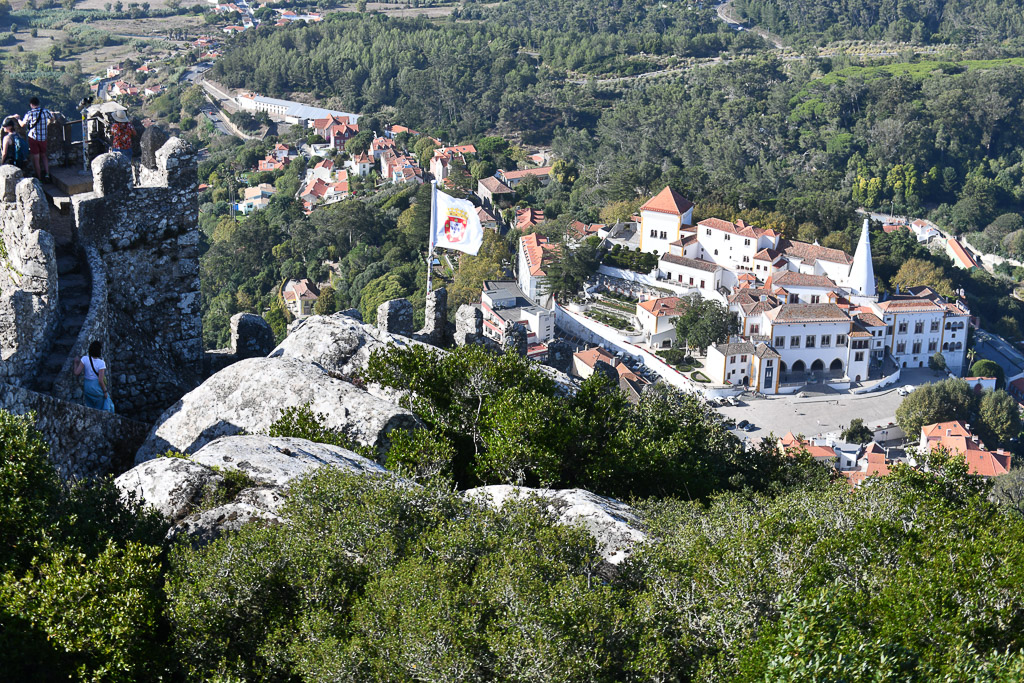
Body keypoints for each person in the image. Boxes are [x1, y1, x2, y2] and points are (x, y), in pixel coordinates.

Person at [17, 97, 55, 182]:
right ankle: (47, 174)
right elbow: (52, 119)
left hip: (33, 138)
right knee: (44, 156)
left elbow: (22, 125)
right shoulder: (46, 111)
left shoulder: (30, 113)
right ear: (38, 103)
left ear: (31, 104)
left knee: (36, 158)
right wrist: (51, 115)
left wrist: (18, 119)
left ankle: (39, 178)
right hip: (43, 138)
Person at [73, 341, 108, 410]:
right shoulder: (101, 363)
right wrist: (105, 391)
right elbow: (100, 380)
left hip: (87, 386)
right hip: (96, 388)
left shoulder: (84, 359)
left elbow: (76, 373)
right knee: (101, 408)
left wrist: (75, 363)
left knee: (90, 408)